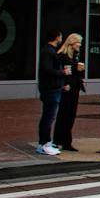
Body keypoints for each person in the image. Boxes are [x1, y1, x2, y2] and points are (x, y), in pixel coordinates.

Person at [52, 33, 86, 153]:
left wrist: (80, 72)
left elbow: (75, 72)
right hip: (67, 88)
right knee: (63, 114)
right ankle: (57, 140)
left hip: (75, 87)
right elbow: (61, 72)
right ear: (72, 43)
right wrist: (64, 84)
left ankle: (67, 141)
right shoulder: (62, 55)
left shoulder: (75, 56)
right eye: (78, 43)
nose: (80, 45)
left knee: (71, 115)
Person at [35, 28, 66, 156]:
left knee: (48, 116)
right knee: (48, 117)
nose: (61, 39)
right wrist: (62, 73)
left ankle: (45, 142)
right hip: (51, 89)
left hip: (52, 88)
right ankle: (44, 143)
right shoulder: (48, 51)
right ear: (57, 37)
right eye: (60, 36)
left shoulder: (49, 51)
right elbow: (47, 70)